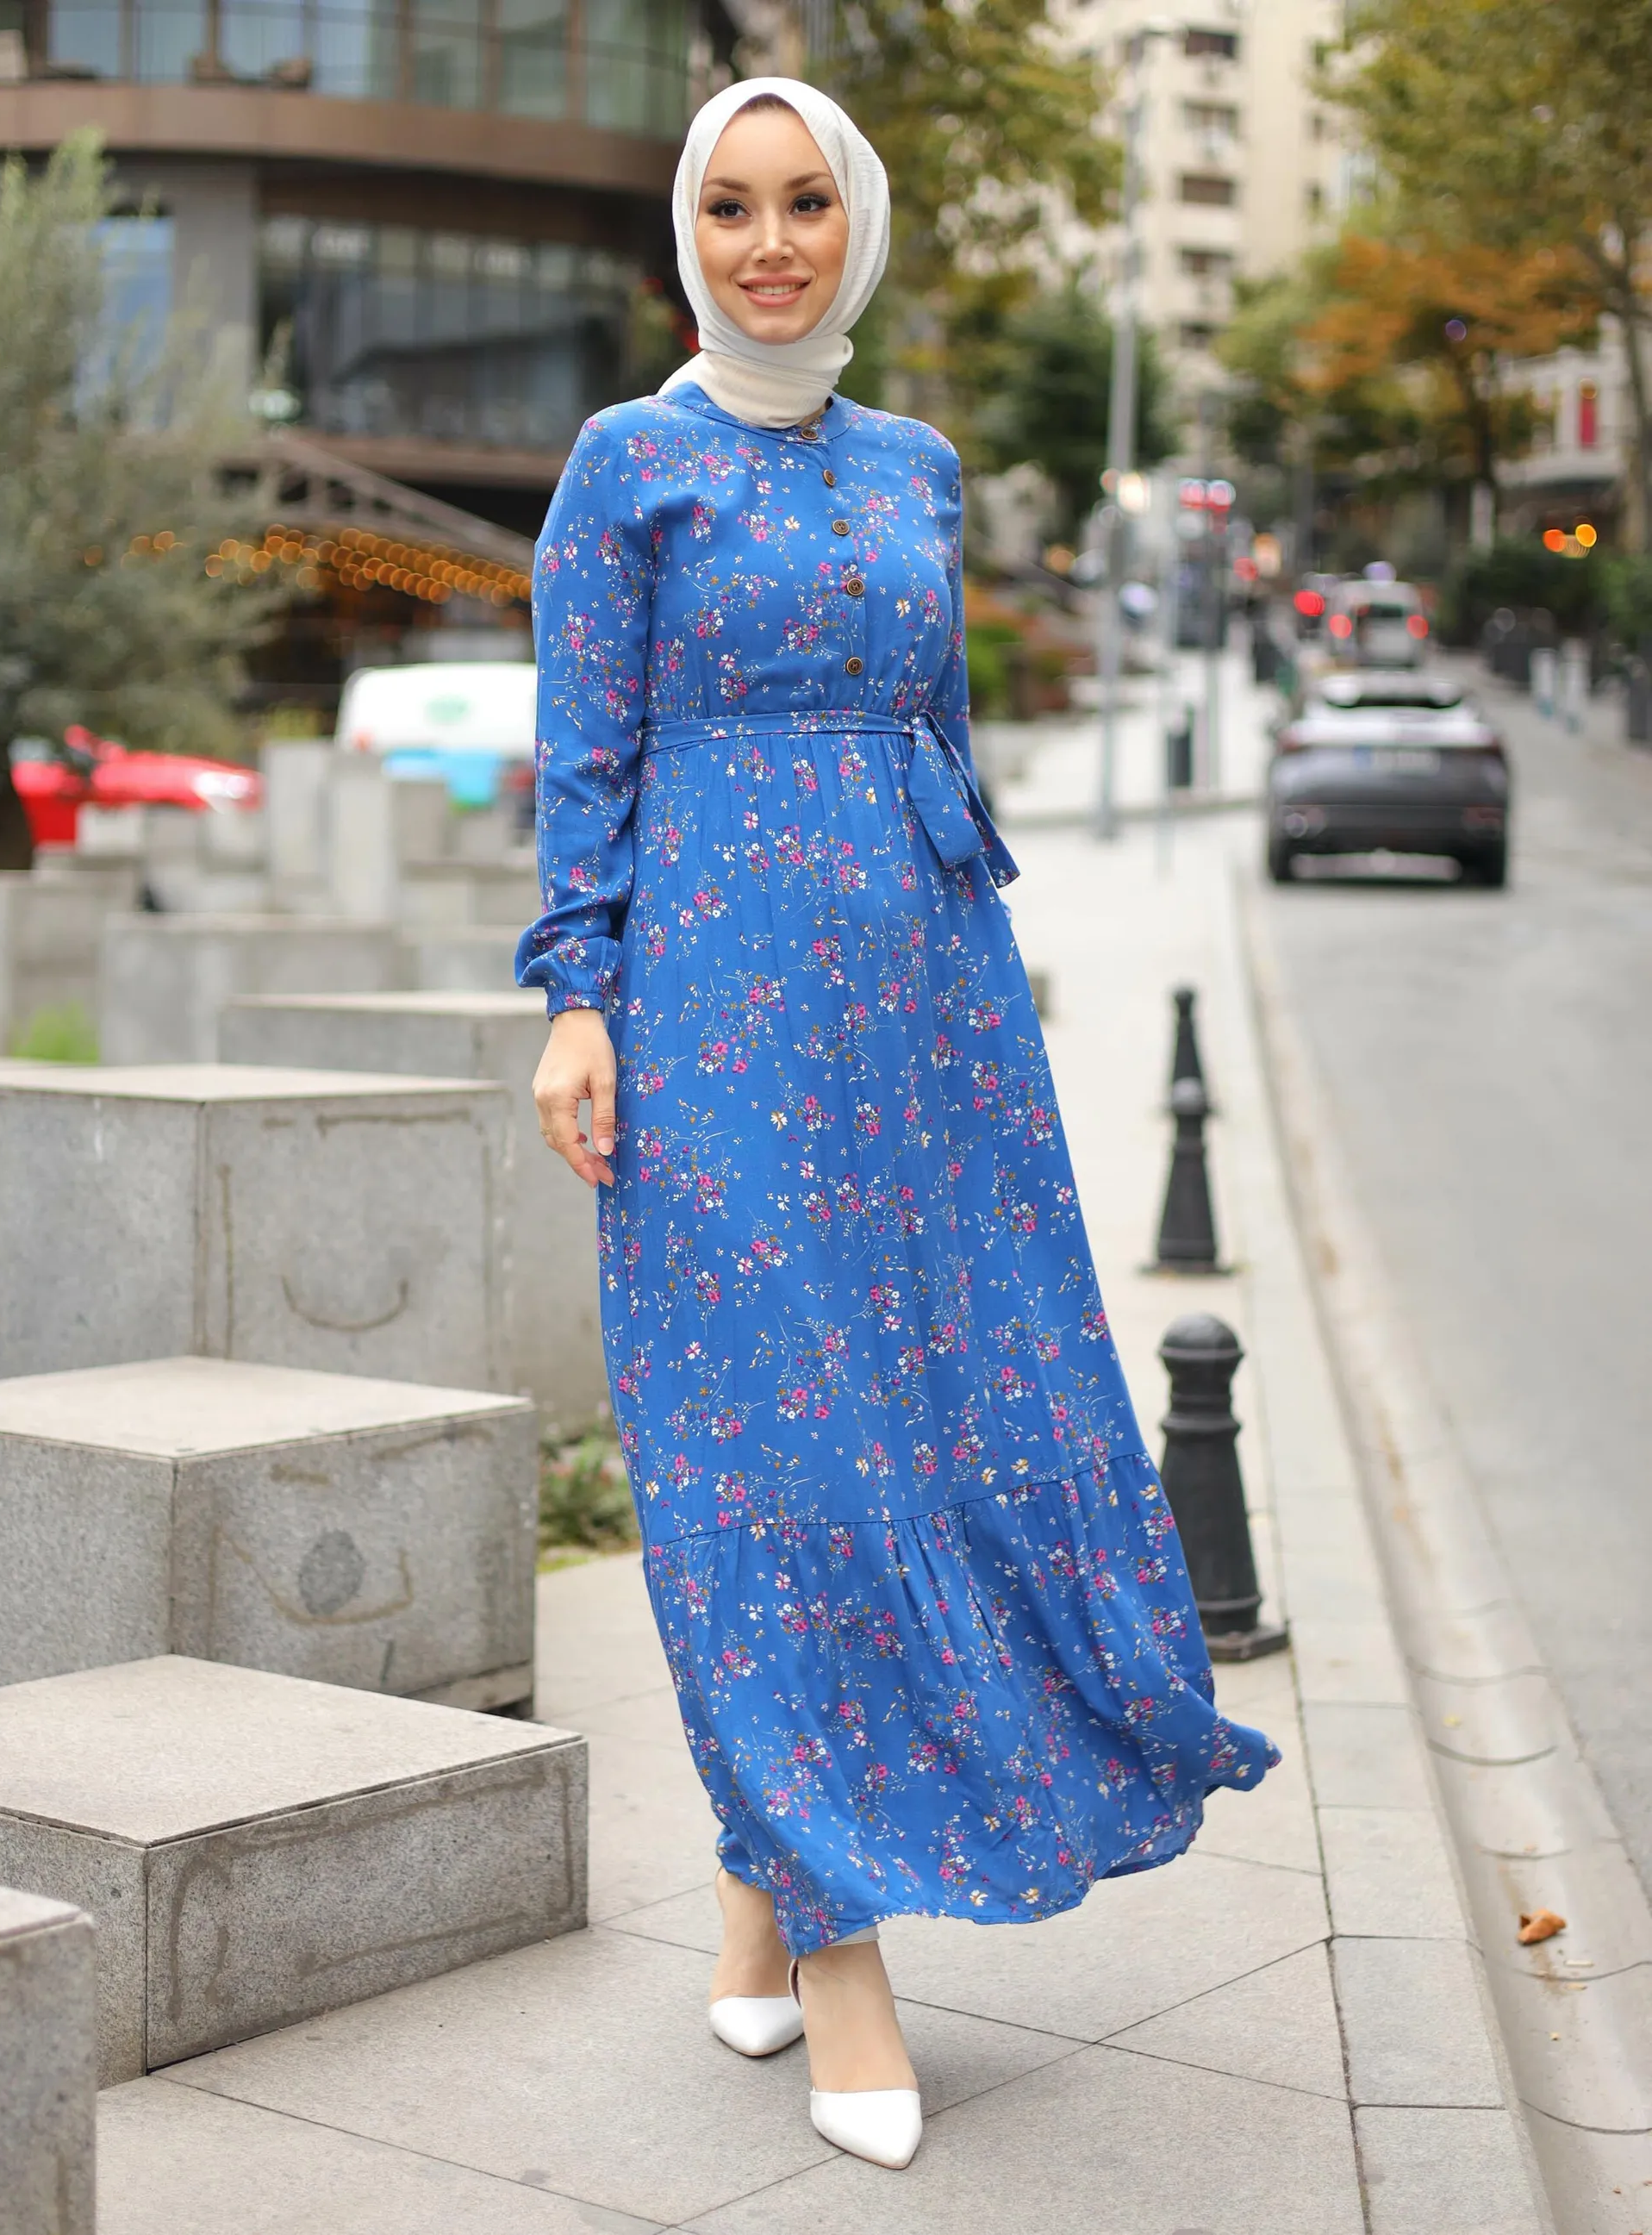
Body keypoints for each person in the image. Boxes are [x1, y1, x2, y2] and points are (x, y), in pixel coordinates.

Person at [518, 77, 1278, 2174]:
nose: (772, 244)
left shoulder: (920, 467)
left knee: (953, 1421)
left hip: (926, 1020)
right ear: (695, 230)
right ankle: (841, 1946)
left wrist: (986, 1017)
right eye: (735, 208)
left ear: (856, 221)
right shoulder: (629, 462)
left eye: (807, 205)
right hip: (713, 1009)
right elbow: (581, 753)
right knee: (782, 1456)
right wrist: (576, 1005)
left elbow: (943, 748)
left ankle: (759, 1911)